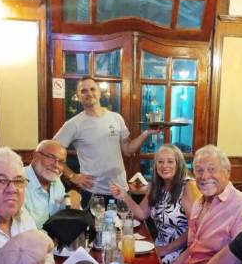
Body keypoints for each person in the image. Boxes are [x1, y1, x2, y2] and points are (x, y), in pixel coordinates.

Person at [53, 76, 161, 207]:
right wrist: (72, 176)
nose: (89, 93)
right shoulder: (73, 124)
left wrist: (146, 133)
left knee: (123, 226)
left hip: (120, 189)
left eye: (92, 89)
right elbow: (52, 153)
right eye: (84, 91)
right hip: (94, 192)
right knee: (96, 228)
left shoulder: (116, 118)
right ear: (78, 95)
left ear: (99, 92)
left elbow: (127, 150)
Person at [165, 145, 242, 264]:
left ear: (227, 171)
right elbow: (193, 251)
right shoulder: (198, 203)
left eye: (211, 169)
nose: (204, 176)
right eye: (199, 171)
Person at [110, 144, 201, 264]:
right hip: (159, 246)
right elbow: (142, 213)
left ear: (179, 164)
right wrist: (124, 196)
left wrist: (168, 249)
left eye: (170, 161)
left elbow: (195, 229)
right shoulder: (156, 186)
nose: (165, 166)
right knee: (124, 261)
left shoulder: (188, 186)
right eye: (160, 162)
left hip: (181, 252)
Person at [24, 139, 67, 228]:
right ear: (35, 155)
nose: (56, 165)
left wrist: (71, 198)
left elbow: (66, 212)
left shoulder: (56, 179)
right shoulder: (17, 182)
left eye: (61, 162)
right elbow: (22, 230)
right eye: (51, 157)